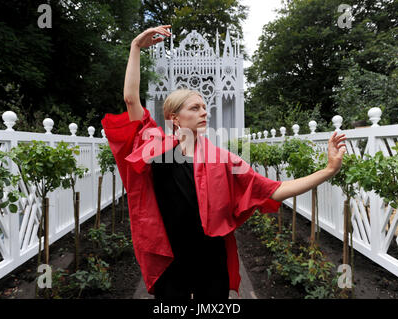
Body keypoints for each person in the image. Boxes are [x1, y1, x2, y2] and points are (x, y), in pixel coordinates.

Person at [102, 25, 347, 300]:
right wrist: (136, 46)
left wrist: (329, 170)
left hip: (211, 260)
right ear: (174, 117)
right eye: (194, 108)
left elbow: (272, 189)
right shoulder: (154, 148)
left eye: (205, 107)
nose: (204, 112)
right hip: (170, 259)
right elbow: (130, 99)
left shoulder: (223, 159)